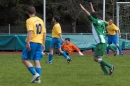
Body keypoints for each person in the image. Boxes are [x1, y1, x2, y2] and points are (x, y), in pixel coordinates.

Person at [80, 2, 114, 75]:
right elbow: (93, 14)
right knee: (99, 59)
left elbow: (89, 14)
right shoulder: (101, 21)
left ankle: (110, 66)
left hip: (100, 43)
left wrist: (83, 9)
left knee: (96, 59)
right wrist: (91, 6)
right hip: (103, 42)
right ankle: (106, 73)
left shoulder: (95, 21)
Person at [22, 6, 46, 83]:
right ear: (35, 12)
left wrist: (28, 42)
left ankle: (35, 74)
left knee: (24, 59)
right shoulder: (41, 20)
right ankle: (37, 80)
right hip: (39, 42)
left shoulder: (29, 20)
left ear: (27, 13)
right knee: (36, 60)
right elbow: (44, 33)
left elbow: (30, 31)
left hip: (32, 41)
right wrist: (43, 43)